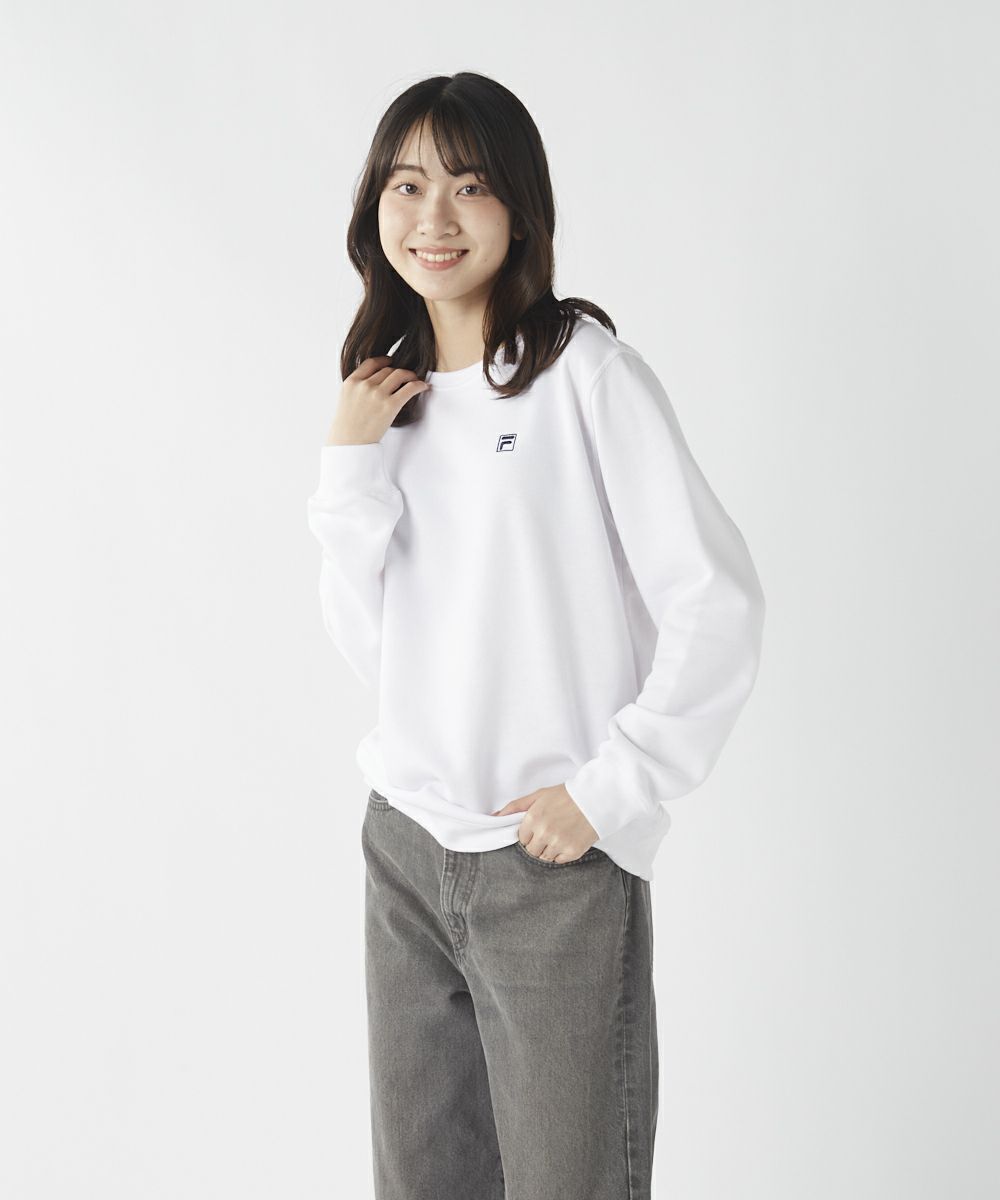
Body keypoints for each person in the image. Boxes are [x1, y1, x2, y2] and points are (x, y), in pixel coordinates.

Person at [307, 72, 766, 1200]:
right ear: (373, 209)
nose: (435, 216)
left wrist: (611, 790)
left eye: (469, 186)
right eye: (407, 186)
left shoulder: (582, 375)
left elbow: (715, 599)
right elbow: (380, 654)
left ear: (519, 208)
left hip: (549, 868)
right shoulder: (386, 404)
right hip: (407, 850)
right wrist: (347, 467)